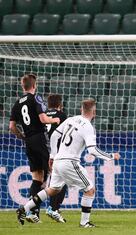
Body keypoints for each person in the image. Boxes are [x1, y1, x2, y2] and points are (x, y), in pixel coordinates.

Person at [16, 99, 120, 228]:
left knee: (53, 190)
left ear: (81, 109)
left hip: (58, 160)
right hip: (69, 162)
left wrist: (53, 155)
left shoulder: (71, 119)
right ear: (94, 112)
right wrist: (110, 156)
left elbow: (54, 136)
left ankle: (24, 209)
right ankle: (84, 223)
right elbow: (92, 150)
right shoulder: (88, 126)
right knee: (90, 190)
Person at [9, 74, 60, 222]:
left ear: (22, 86)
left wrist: (22, 136)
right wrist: (55, 119)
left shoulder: (17, 103)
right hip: (39, 138)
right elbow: (43, 119)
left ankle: (32, 212)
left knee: (37, 177)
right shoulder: (36, 98)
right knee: (53, 172)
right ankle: (53, 209)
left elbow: (12, 127)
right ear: (34, 85)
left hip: (29, 141)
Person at [44, 94, 68, 223]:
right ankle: (53, 208)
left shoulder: (42, 114)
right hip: (56, 152)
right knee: (61, 181)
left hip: (42, 150)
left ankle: (32, 210)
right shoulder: (62, 115)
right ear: (60, 104)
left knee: (41, 181)